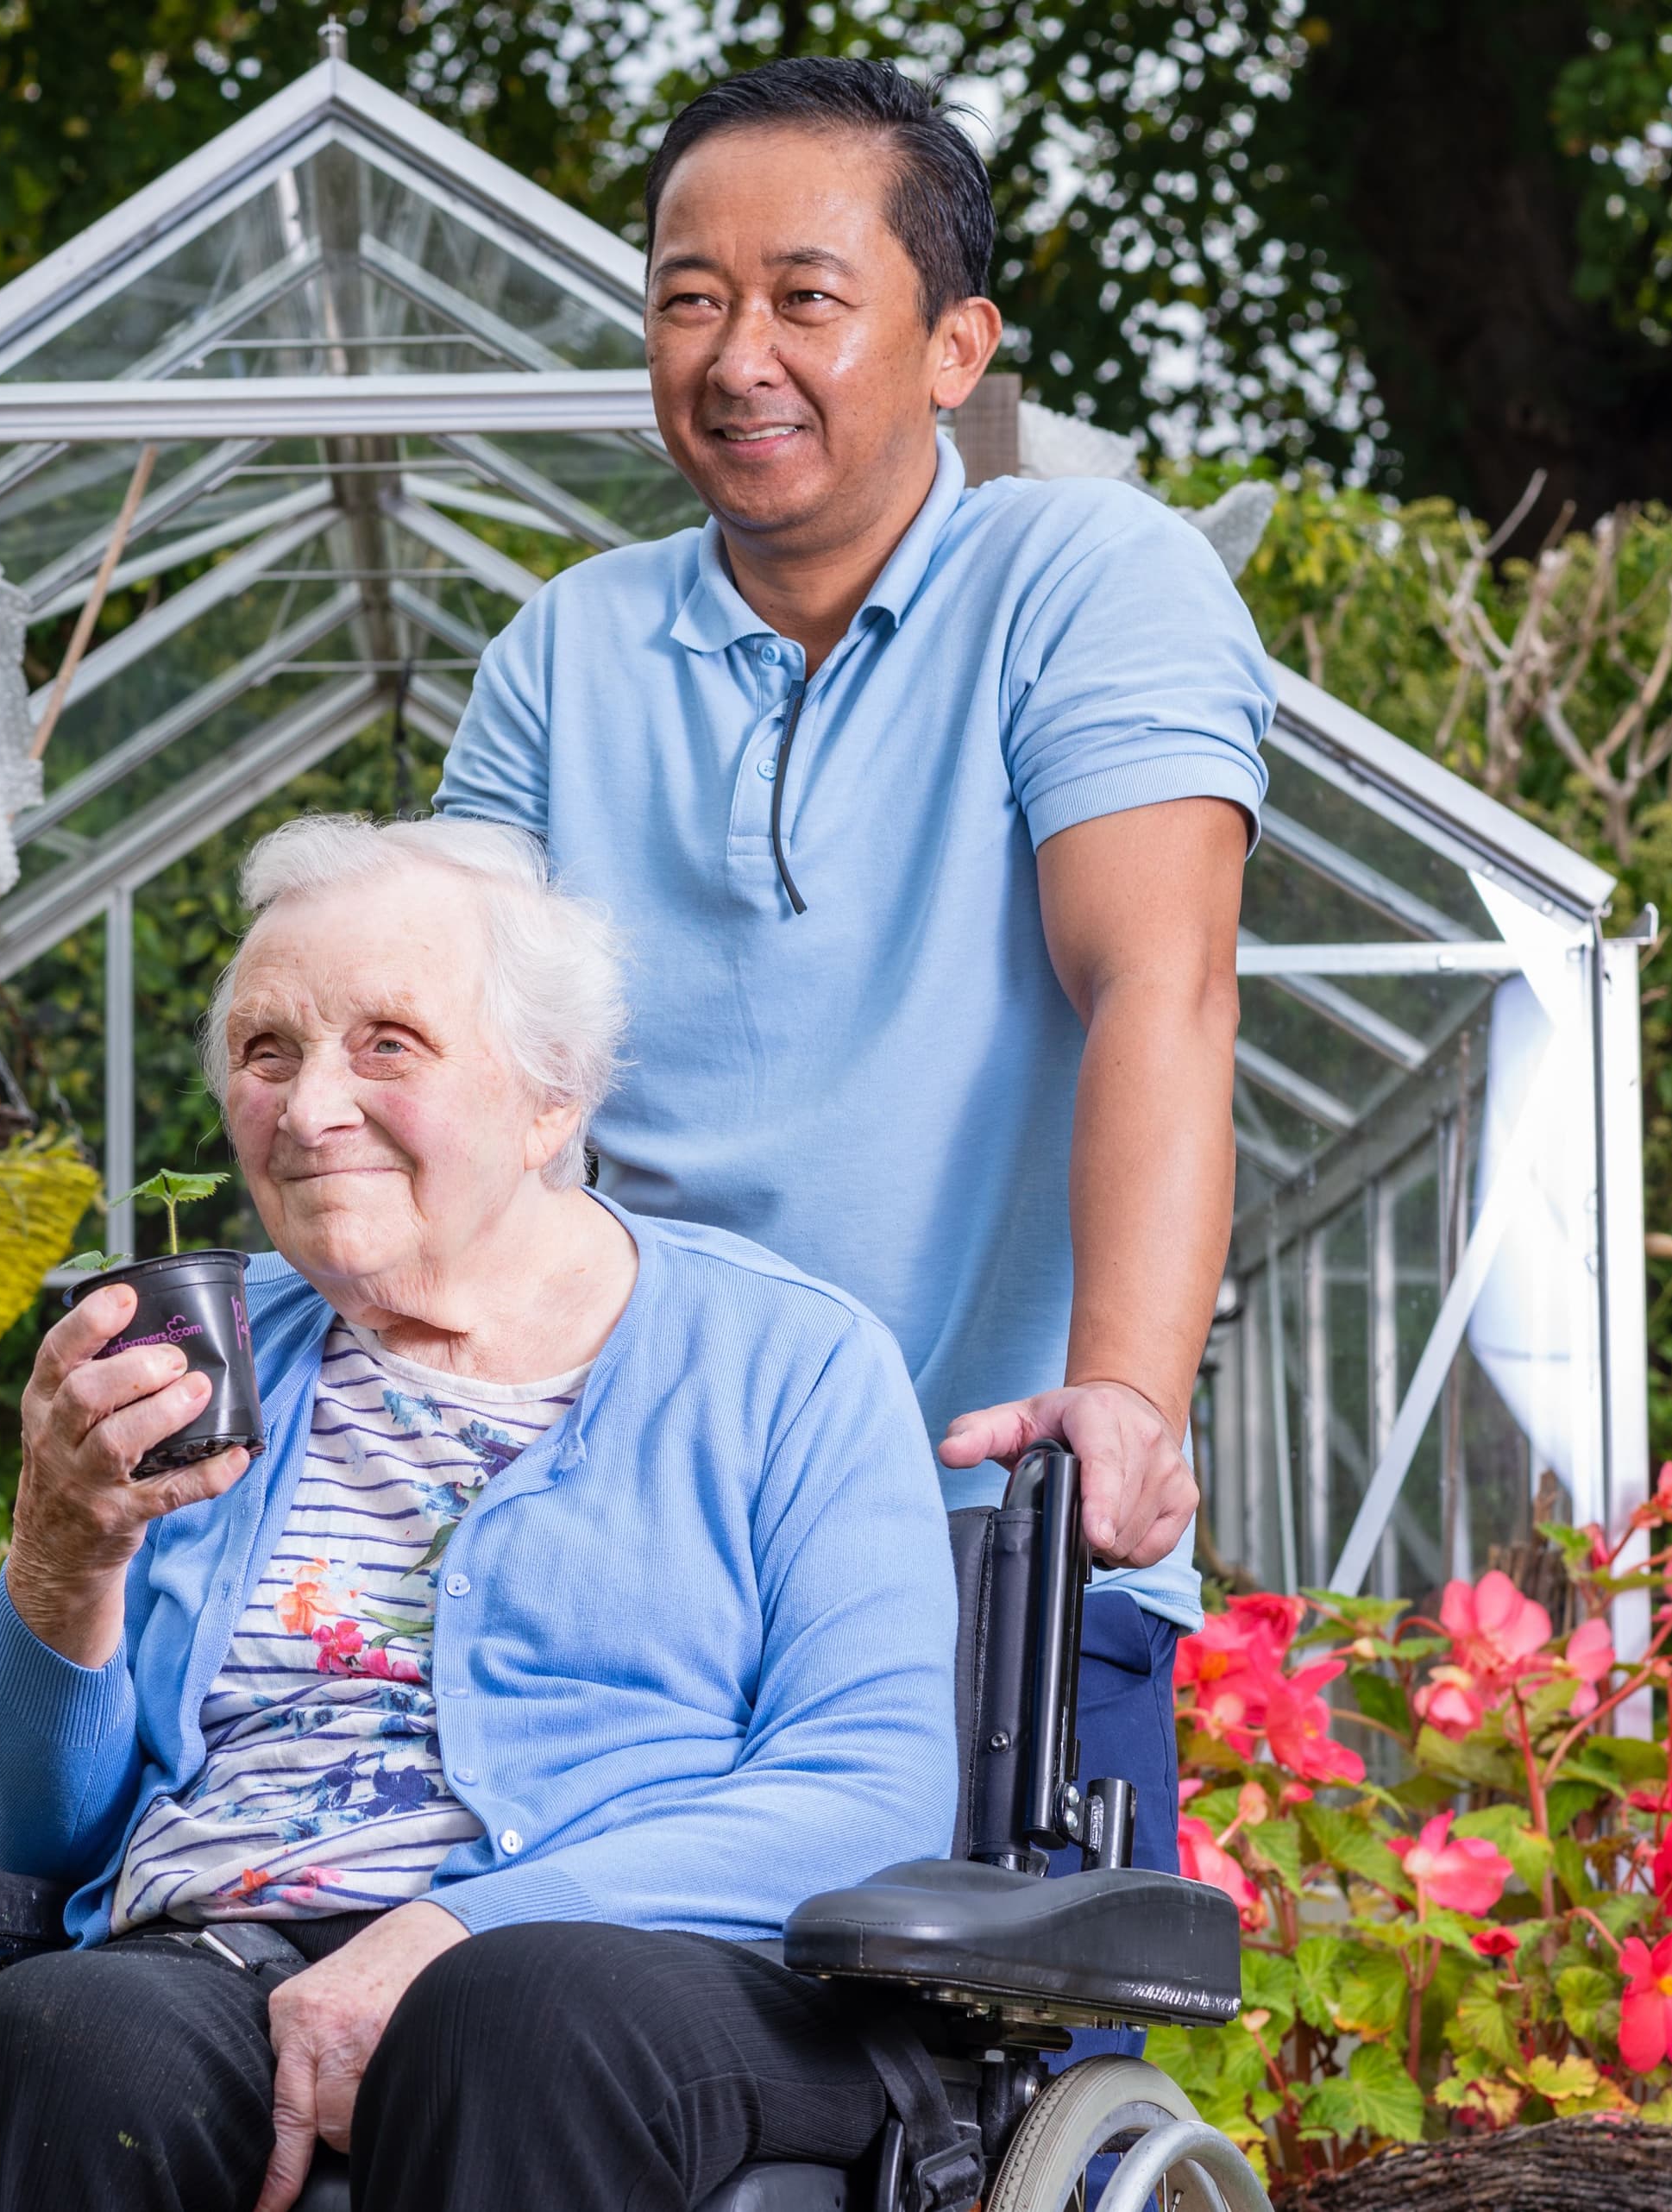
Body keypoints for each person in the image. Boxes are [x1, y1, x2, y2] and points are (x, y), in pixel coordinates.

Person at [436, 58, 1274, 1957]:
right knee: (562, 2049)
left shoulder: (1089, 581)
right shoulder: (565, 652)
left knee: (979, 2075)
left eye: (806, 297)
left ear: (953, 343)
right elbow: (467, 1085)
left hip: (996, 1539)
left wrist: (1128, 1402)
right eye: (686, 295)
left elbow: (1160, 981)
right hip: (641, 1563)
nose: (737, 352)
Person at [0, 817, 958, 2212]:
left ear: (549, 1101)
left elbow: (868, 1795)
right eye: (267, 1052)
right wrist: (65, 1546)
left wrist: (457, 1926)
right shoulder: (203, 1371)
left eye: (386, 1044)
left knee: (513, 2016)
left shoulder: (785, 1362)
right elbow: (47, 1841)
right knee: (66, 2039)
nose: (308, 1106)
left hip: (642, 1981)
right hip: (220, 1956)